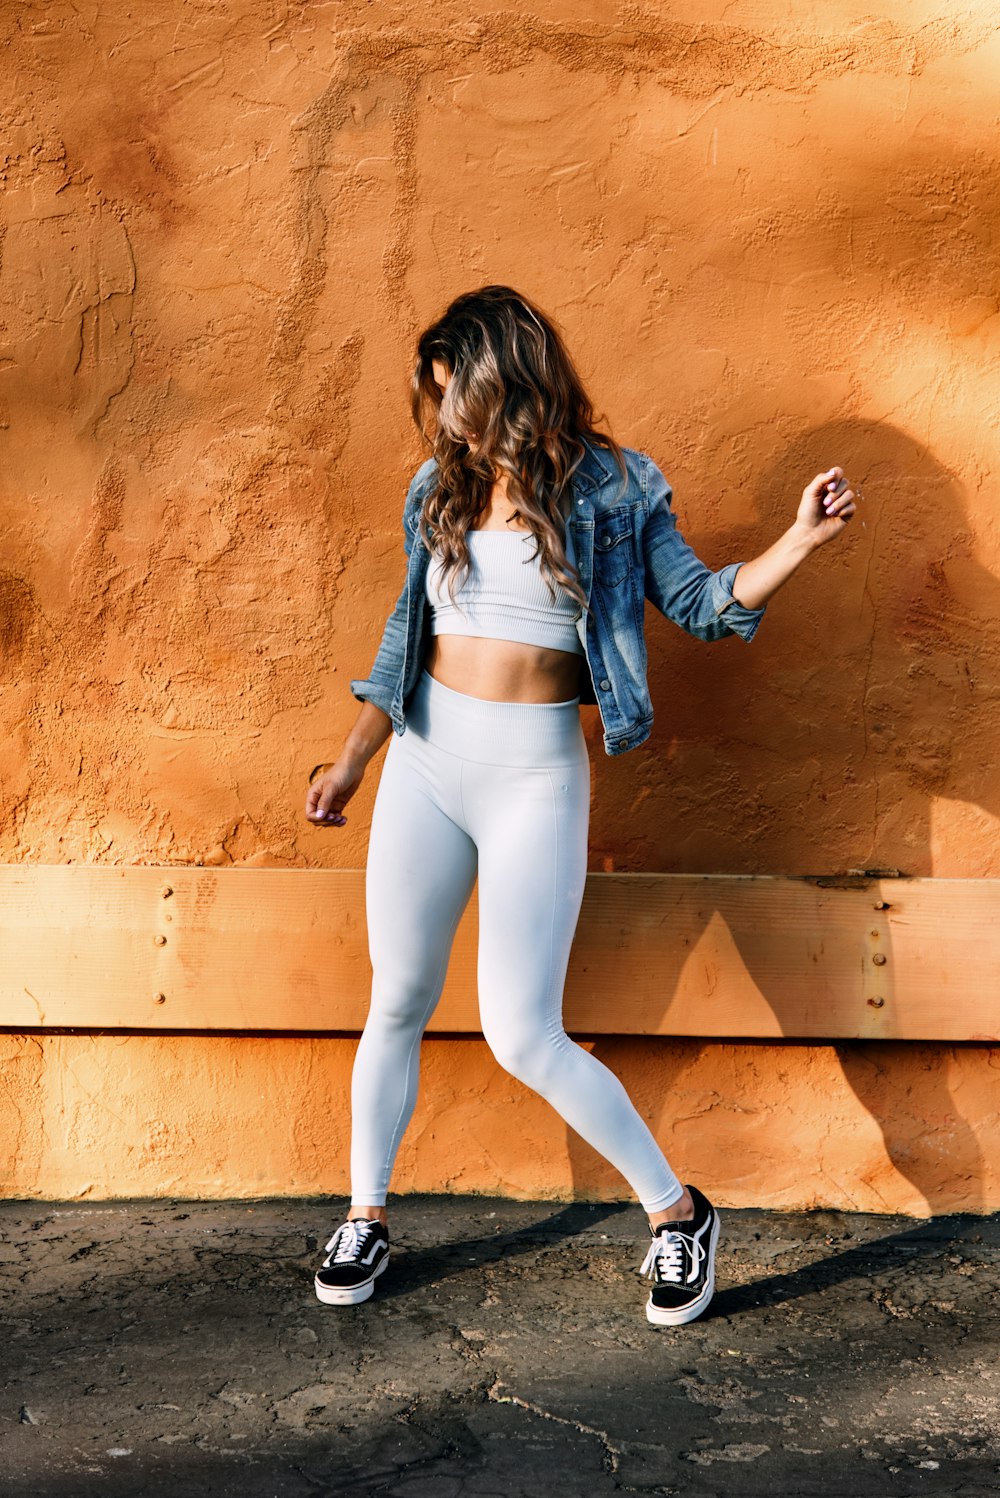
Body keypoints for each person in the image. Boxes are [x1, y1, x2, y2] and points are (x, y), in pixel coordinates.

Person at [304, 285, 856, 1326]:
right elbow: (401, 638)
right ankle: (366, 1211)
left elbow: (700, 606)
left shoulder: (616, 488)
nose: (447, 418)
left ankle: (677, 1213)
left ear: (506, 379)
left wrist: (798, 545)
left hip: (531, 774)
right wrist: (353, 761)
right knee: (397, 997)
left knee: (520, 1032)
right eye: (436, 398)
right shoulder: (441, 485)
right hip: (426, 758)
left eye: (456, 393)